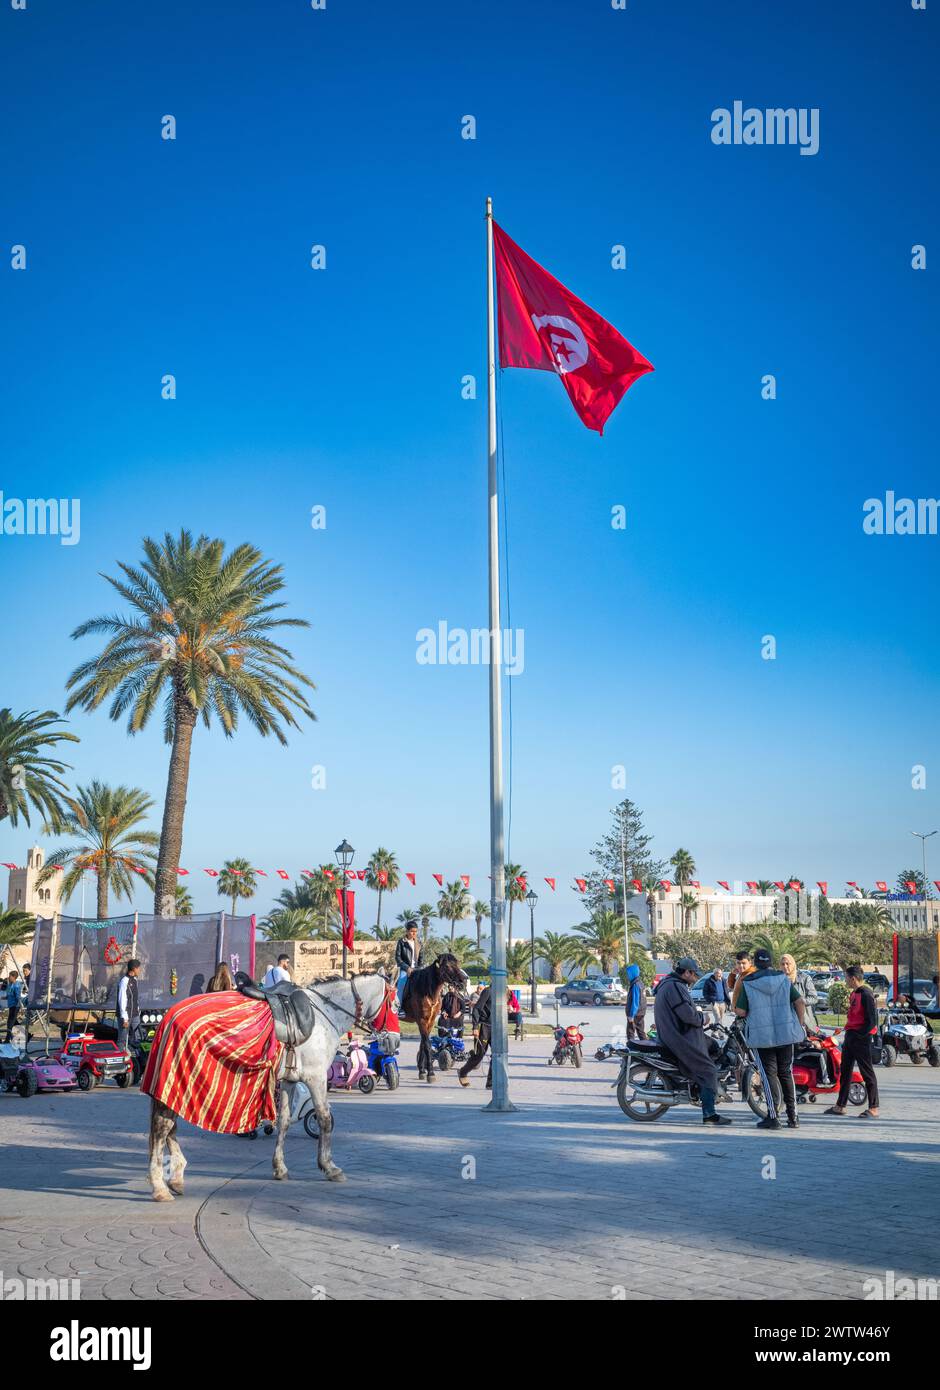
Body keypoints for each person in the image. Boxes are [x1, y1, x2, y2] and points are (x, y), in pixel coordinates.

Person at [653, 957, 731, 1126]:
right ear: (687, 973)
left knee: (714, 1046)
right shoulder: (675, 987)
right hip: (680, 1038)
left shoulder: (670, 984)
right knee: (709, 1070)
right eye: (694, 974)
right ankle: (709, 1114)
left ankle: (702, 1089)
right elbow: (687, 1015)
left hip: (677, 1034)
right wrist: (703, 1018)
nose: (696, 978)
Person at [734, 948, 806, 1130]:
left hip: (761, 1037)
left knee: (768, 1075)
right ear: (771, 961)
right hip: (785, 1034)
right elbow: (799, 1002)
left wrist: (740, 1010)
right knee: (786, 1073)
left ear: (755, 963)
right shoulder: (783, 979)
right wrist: (799, 1024)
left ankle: (773, 1117)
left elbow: (741, 1011)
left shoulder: (748, 982)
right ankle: (793, 1117)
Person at [825, 965, 880, 1119]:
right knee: (845, 1071)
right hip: (850, 1037)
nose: (845, 980)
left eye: (846, 977)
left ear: (853, 978)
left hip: (860, 1039)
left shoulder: (866, 994)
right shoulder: (854, 994)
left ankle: (874, 1107)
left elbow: (872, 1021)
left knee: (867, 1072)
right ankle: (840, 1105)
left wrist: (861, 1036)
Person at [457, 984, 492, 1089]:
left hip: (497, 1029)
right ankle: (463, 1072)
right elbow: (476, 1009)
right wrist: (475, 1027)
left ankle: (490, 1083)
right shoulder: (488, 991)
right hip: (484, 1026)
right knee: (479, 1055)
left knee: (497, 1056)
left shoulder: (503, 992)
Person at [781, 953, 818, 1031]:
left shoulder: (804, 978)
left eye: (788, 964)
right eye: (782, 964)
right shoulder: (778, 980)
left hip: (804, 1022)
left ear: (793, 964)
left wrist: (799, 1001)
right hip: (785, 1022)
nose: (785, 966)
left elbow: (814, 998)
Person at [116, 959, 142, 1053]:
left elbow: (135, 998)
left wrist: (138, 1009)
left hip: (135, 1014)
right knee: (122, 1040)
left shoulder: (135, 980)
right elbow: (122, 1000)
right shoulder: (124, 981)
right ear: (134, 969)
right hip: (125, 1016)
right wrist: (125, 1018)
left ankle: (136, 1060)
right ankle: (119, 1060)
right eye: (138, 968)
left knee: (137, 1038)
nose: (140, 970)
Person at [394, 922, 422, 1005]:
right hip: (405, 969)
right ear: (407, 931)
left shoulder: (419, 943)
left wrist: (418, 969)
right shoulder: (402, 942)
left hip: (417, 969)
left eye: (416, 931)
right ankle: (398, 1006)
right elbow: (398, 958)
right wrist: (407, 968)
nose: (414, 933)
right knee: (401, 983)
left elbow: (421, 960)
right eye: (412, 931)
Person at [625, 963, 647, 1040]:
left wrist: (631, 1015)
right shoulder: (640, 983)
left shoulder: (635, 985)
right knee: (641, 1032)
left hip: (635, 1013)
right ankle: (647, 1048)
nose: (627, 976)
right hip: (641, 1012)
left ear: (632, 973)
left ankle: (632, 1048)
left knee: (630, 1032)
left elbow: (635, 1001)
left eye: (628, 974)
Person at [4, 971, 22, 1044]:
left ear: (14, 977)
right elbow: (8, 994)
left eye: (10, 976)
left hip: (15, 1006)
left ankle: (7, 1040)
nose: (9, 977)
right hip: (11, 1006)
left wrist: (20, 1006)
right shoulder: (10, 984)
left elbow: (18, 996)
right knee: (15, 1023)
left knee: (10, 1023)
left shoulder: (16, 985)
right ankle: (23, 1036)